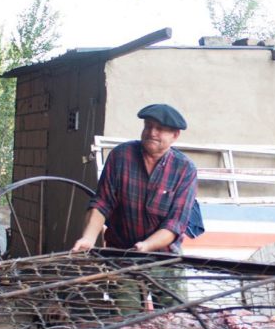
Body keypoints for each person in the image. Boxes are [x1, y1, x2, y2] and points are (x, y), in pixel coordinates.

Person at [72, 103, 200, 254]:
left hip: (164, 257)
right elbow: (102, 203)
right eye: (148, 126)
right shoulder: (121, 156)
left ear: (175, 135)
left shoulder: (185, 169)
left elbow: (175, 223)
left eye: (159, 129)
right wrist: (88, 238)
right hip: (119, 251)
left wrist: (146, 245)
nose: (152, 132)